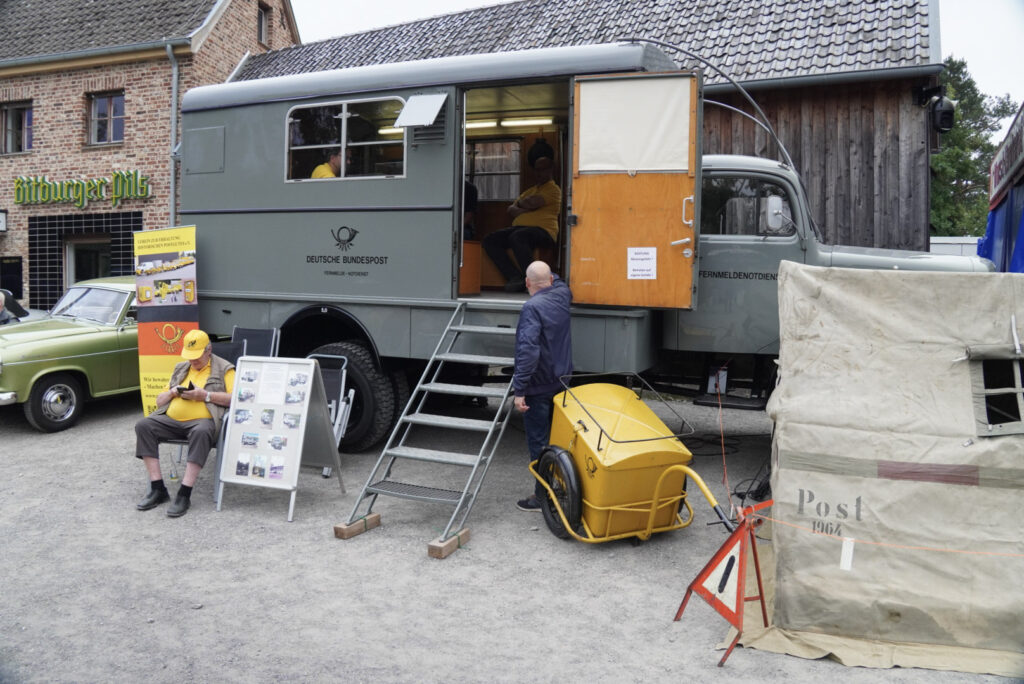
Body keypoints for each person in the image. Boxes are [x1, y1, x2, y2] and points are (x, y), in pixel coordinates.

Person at [134, 329, 235, 517]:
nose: (192, 360)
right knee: (143, 426)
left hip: (202, 422)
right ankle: (157, 488)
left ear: (208, 350)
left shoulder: (225, 369)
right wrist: (173, 392)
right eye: (190, 356)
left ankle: (184, 494)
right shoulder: (181, 368)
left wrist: (205, 395)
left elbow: (235, 398)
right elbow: (159, 402)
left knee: (201, 431)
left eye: (196, 356)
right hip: (171, 420)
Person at [512, 260, 573, 512]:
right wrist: (547, 275)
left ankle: (542, 496)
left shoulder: (532, 307)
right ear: (549, 281)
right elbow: (555, 279)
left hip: (537, 387)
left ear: (527, 283)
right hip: (561, 381)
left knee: (538, 442)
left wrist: (519, 390)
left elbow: (528, 352)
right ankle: (564, 486)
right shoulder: (562, 294)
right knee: (558, 439)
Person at [483, 140, 561, 292]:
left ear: (550, 169)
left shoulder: (553, 189)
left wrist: (522, 205)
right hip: (521, 229)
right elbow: (511, 209)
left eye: (543, 169)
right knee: (490, 239)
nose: (539, 173)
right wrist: (524, 206)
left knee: (518, 236)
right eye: (536, 170)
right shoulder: (530, 190)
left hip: (544, 231)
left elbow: (532, 203)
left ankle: (534, 280)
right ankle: (515, 277)